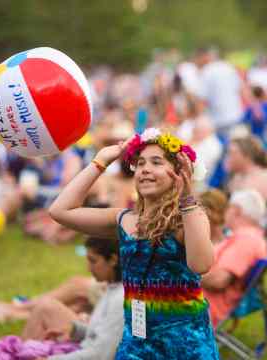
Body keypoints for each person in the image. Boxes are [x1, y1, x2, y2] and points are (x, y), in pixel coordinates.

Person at [49, 128, 219, 359]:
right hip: (135, 344)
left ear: (179, 172)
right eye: (140, 163)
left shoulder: (189, 217)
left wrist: (187, 198)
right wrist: (101, 161)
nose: (145, 169)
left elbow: (201, 265)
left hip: (183, 345)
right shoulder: (124, 219)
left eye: (156, 162)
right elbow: (60, 211)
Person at [0, 236, 124, 360]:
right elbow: (103, 336)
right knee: (45, 306)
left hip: (89, 354)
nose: (88, 268)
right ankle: (21, 351)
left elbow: (99, 355)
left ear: (113, 260)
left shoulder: (119, 299)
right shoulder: (113, 288)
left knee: (46, 308)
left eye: (93, 261)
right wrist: (75, 331)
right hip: (85, 348)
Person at [201, 189, 267, 327]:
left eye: (228, 208)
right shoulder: (247, 237)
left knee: (147, 298)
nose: (225, 212)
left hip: (202, 306)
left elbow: (218, 281)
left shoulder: (246, 240)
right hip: (200, 299)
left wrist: (181, 277)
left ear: (236, 210)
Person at [225, 135, 267, 204]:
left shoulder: (260, 177)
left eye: (232, 153)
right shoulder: (238, 176)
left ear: (247, 156)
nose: (228, 158)